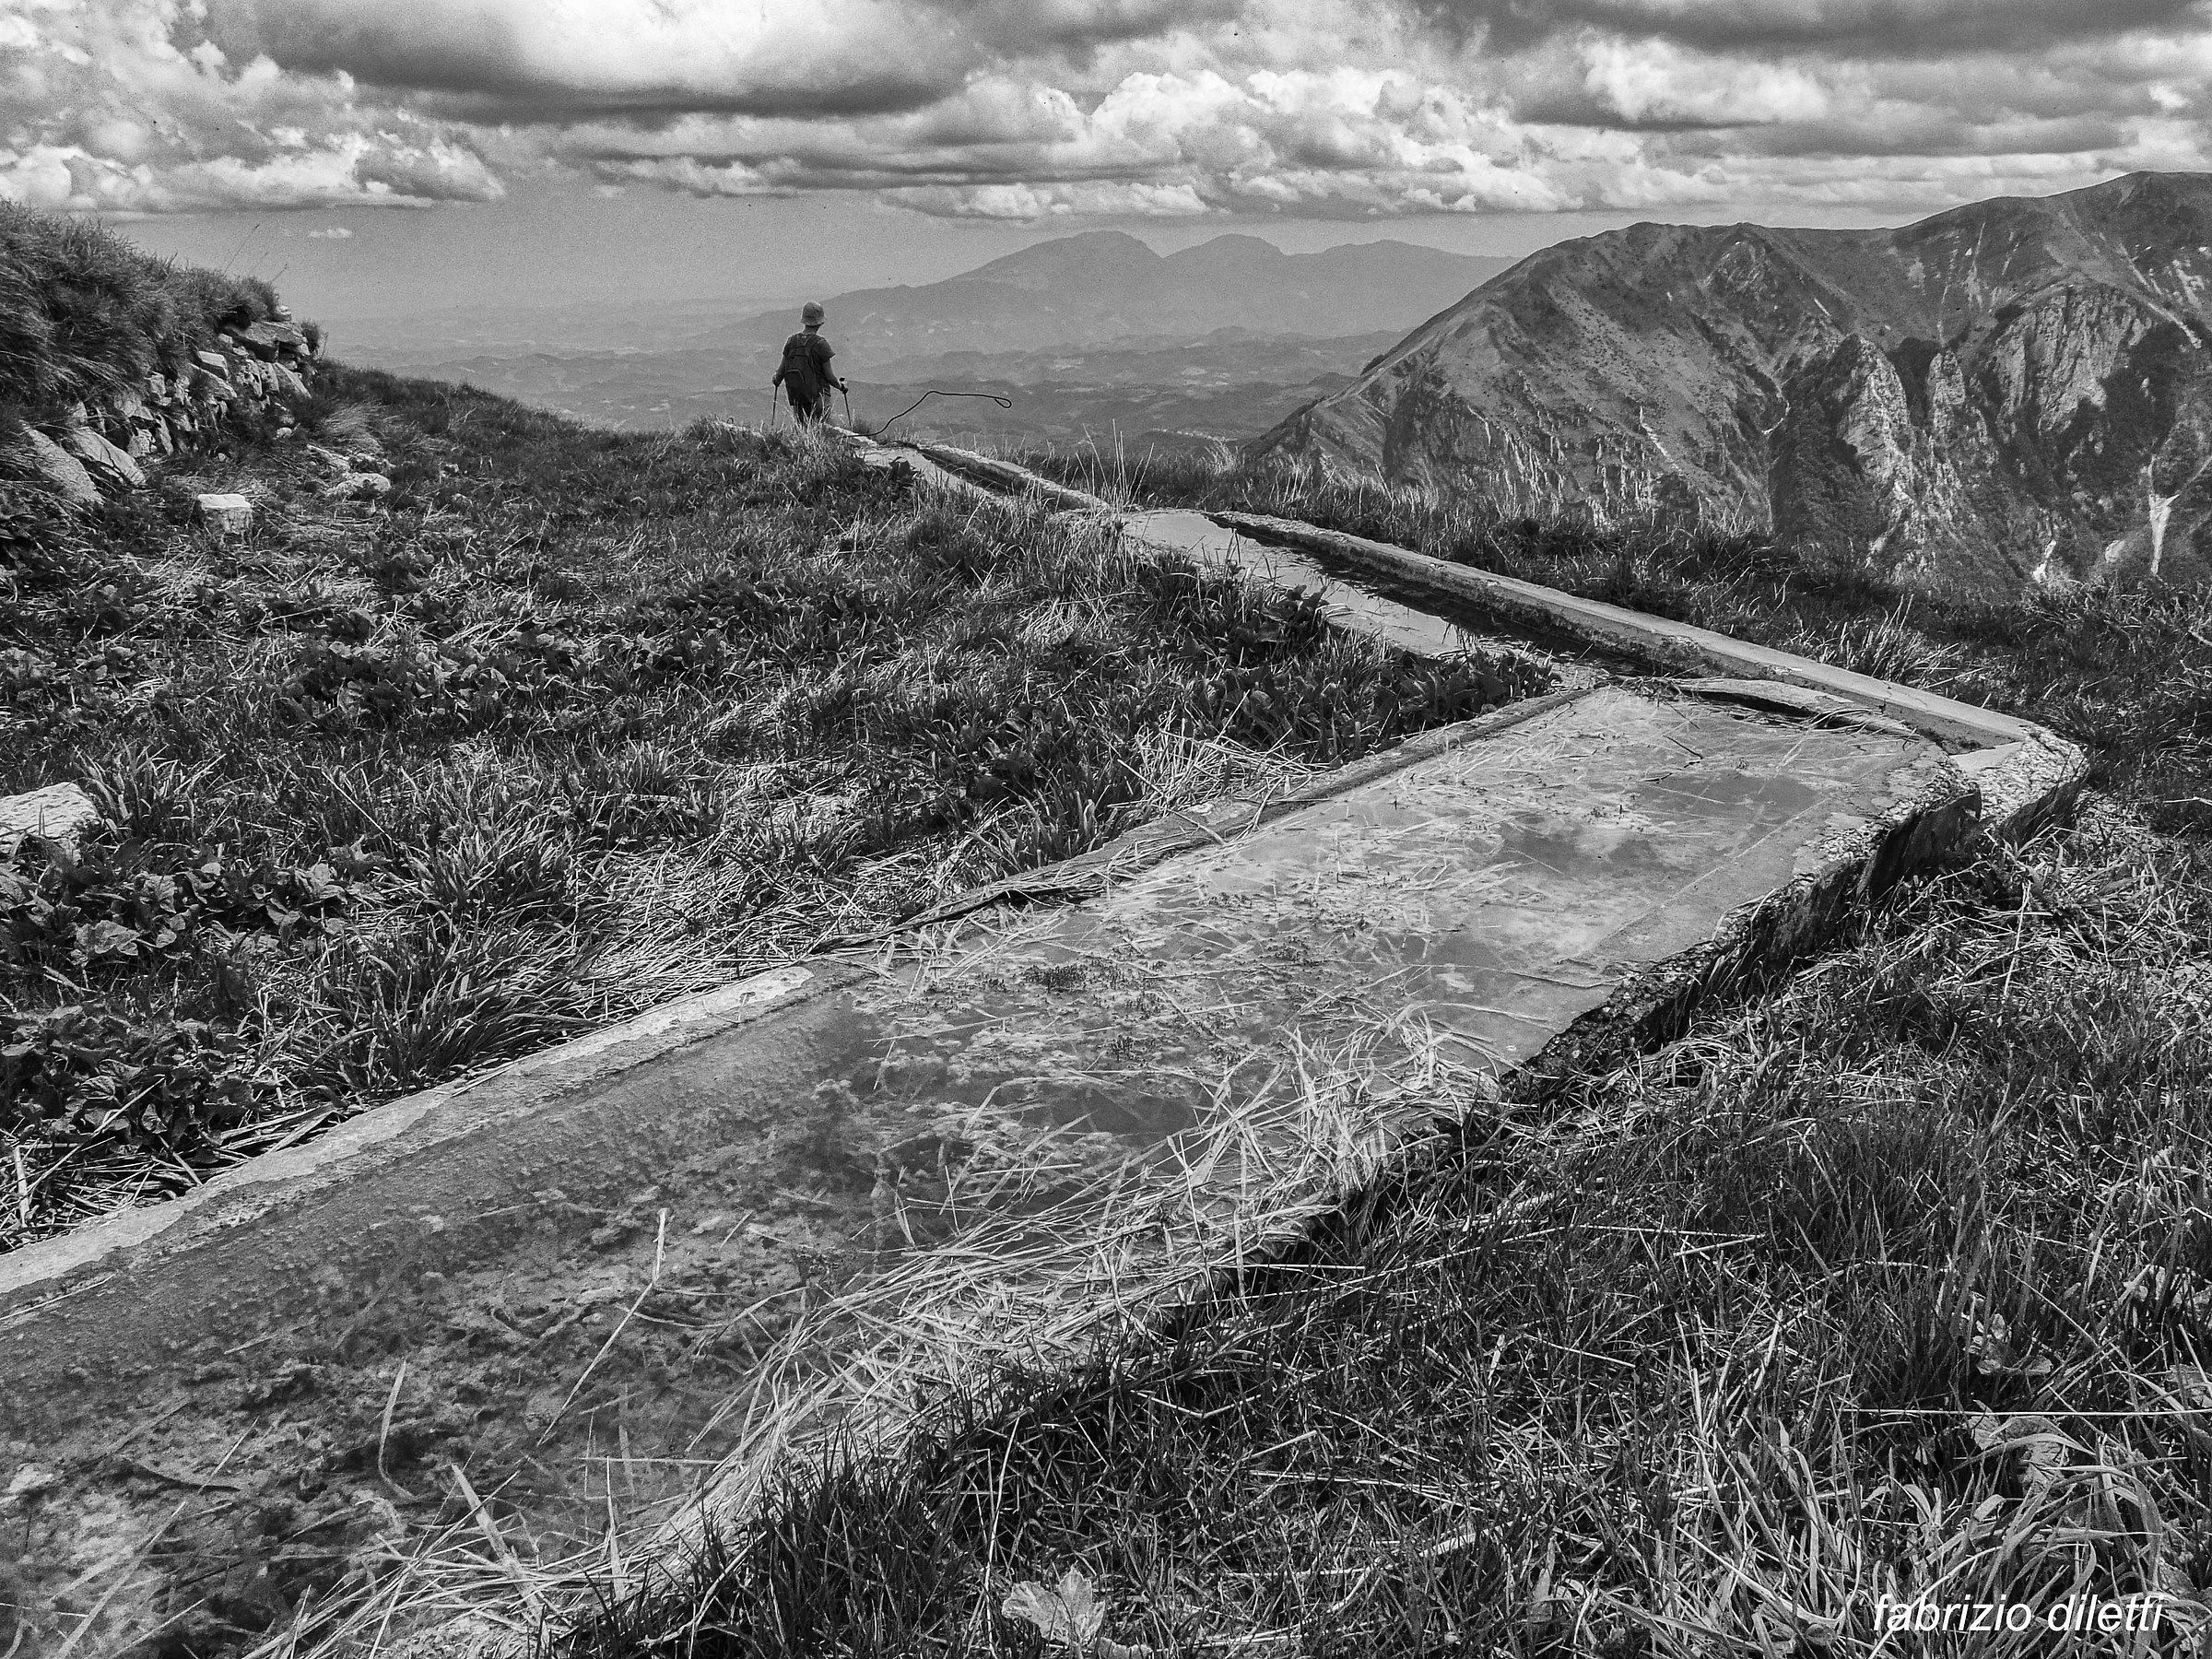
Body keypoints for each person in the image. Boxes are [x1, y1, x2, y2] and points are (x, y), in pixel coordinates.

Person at [772, 301, 846, 424]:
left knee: (804, 430)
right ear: (820, 322)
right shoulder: (821, 344)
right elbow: (830, 377)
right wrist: (842, 387)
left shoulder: (791, 341)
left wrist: (776, 380)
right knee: (827, 431)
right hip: (819, 399)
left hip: (799, 400)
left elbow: (780, 374)